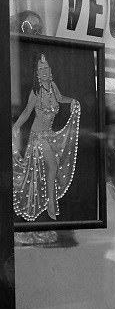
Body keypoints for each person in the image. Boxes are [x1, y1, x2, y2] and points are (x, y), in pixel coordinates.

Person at [12, 52, 80, 221]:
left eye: (46, 67)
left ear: (50, 70)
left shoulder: (53, 86)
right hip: (38, 137)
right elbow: (27, 111)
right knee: (54, 166)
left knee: (53, 167)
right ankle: (50, 202)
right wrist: (16, 126)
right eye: (40, 68)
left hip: (49, 135)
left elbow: (60, 98)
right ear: (36, 73)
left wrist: (73, 101)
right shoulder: (36, 92)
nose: (43, 71)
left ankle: (50, 201)